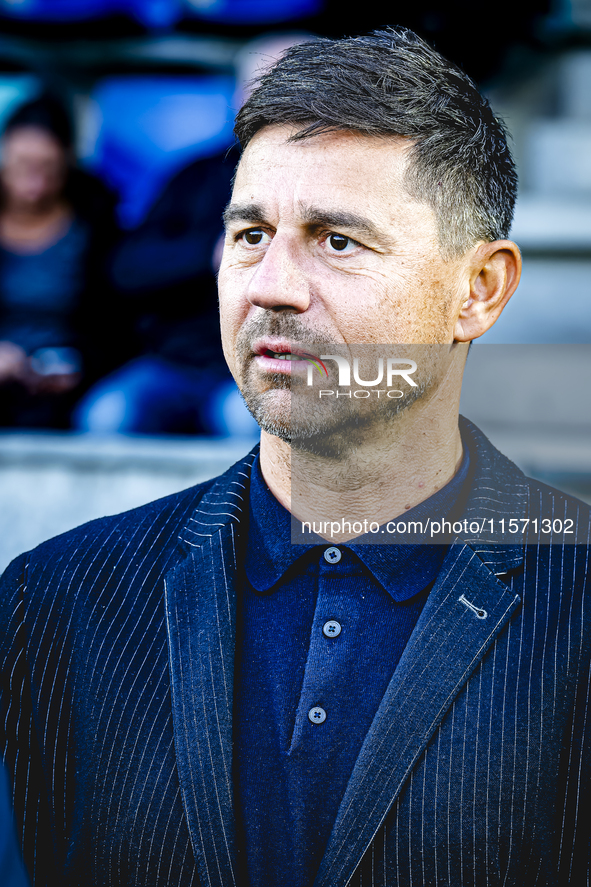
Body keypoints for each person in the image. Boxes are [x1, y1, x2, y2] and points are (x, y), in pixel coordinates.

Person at [0, 27, 589, 887]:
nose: (270, 284)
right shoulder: (51, 604)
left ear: (478, 290)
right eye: (249, 234)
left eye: (336, 240)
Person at [0, 95, 120, 428]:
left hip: (70, 377)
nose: (35, 186)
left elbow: (115, 321)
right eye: (23, 166)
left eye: (48, 169)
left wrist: (80, 363)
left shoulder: (96, 221)